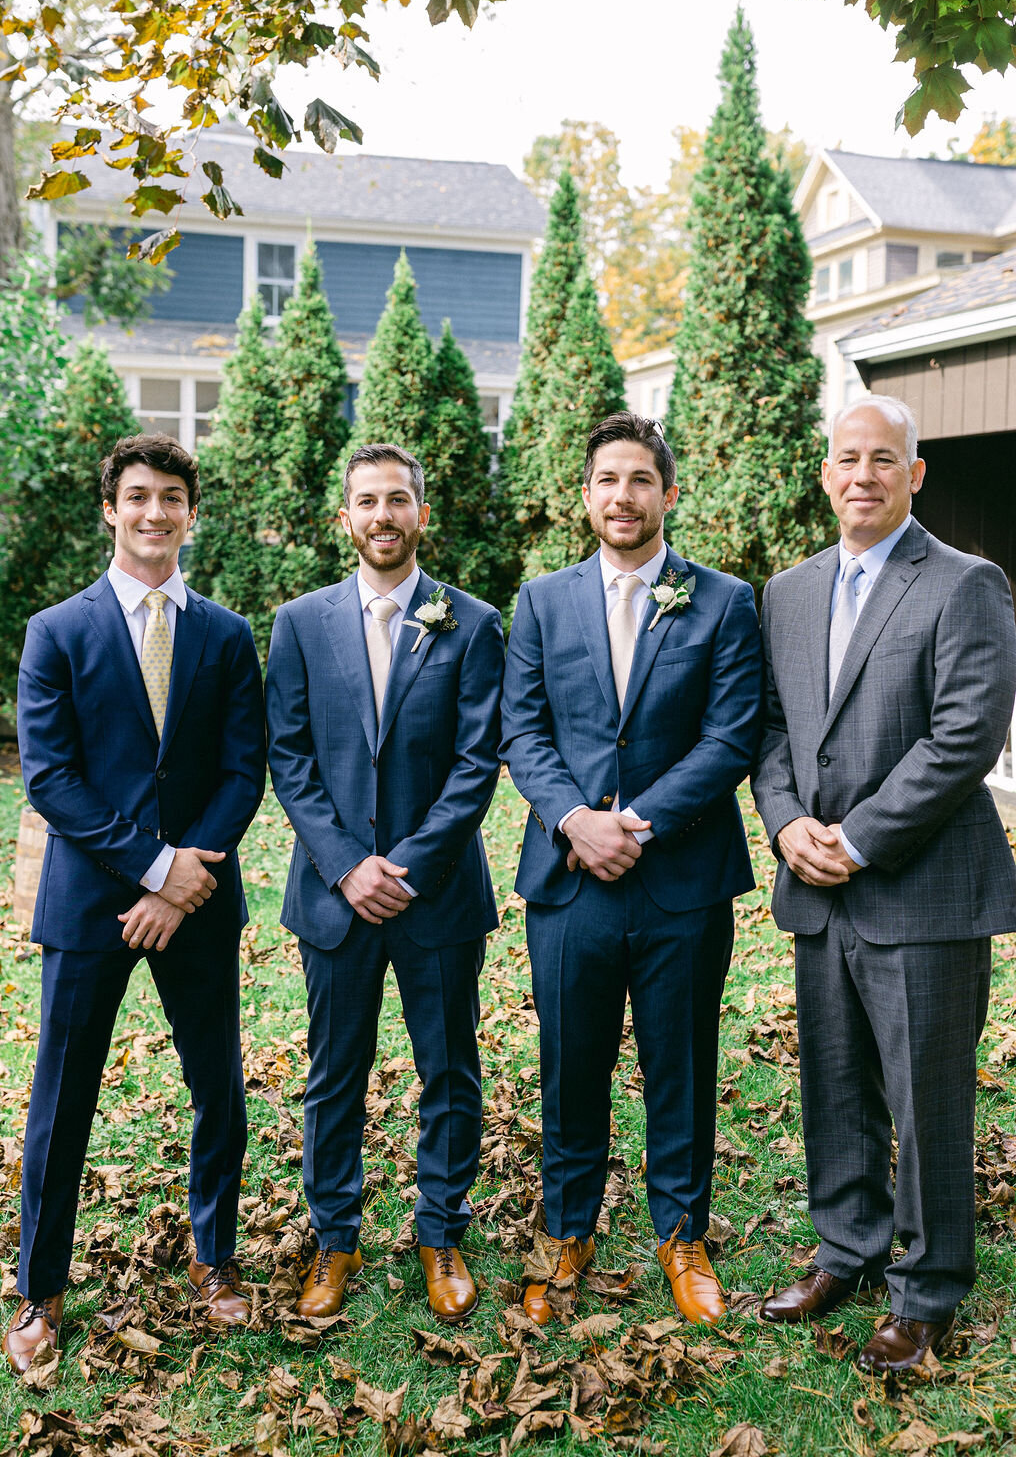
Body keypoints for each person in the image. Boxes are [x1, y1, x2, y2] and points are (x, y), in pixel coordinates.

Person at [752, 394, 1016, 1372]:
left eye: (882, 460)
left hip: (923, 890)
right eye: (845, 459)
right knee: (834, 1087)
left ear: (914, 475)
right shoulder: (785, 592)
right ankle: (846, 1251)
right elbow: (771, 731)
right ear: (824, 474)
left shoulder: (963, 583)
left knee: (925, 1098)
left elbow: (965, 738)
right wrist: (786, 828)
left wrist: (856, 840)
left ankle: (928, 1286)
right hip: (814, 890)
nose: (860, 475)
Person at [3, 433, 267, 1374]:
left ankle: (217, 1260)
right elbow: (53, 780)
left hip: (200, 900)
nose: (155, 513)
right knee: (61, 1097)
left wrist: (187, 875)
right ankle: (39, 1286)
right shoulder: (58, 631)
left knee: (218, 1088)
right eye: (138, 497)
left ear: (192, 515)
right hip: (92, 906)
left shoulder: (228, 636)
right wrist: (154, 869)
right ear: (111, 511)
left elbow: (245, 770)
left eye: (172, 498)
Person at [499, 412, 762, 1326]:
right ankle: (567, 1229)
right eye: (608, 480)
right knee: (570, 1063)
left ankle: (682, 1234)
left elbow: (731, 736)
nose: (623, 497)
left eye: (641, 480)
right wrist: (576, 819)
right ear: (586, 495)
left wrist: (635, 823)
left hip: (681, 880)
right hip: (569, 881)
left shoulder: (725, 601)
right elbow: (521, 729)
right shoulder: (541, 601)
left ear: (668, 493)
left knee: (680, 1062)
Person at [266, 443, 504, 1324]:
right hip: (332, 893)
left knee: (449, 1068)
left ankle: (441, 1229)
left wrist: (404, 865)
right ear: (345, 518)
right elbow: (288, 757)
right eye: (366, 501)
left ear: (421, 515)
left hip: (435, 892)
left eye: (397, 500)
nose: (382, 516)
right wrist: (345, 864)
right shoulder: (298, 622)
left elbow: (479, 762)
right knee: (335, 1073)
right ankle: (336, 1238)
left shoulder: (471, 623)